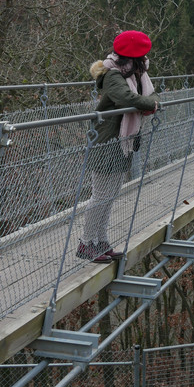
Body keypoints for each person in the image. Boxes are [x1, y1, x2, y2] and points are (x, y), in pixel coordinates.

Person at [77, 30, 159, 264]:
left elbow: (153, 96)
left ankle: (100, 242)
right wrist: (151, 104)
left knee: (109, 195)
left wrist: (152, 102)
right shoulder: (114, 76)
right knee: (101, 195)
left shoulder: (137, 76)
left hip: (122, 142)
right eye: (142, 56)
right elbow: (127, 99)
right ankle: (86, 243)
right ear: (133, 58)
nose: (145, 60)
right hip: (106, 142)